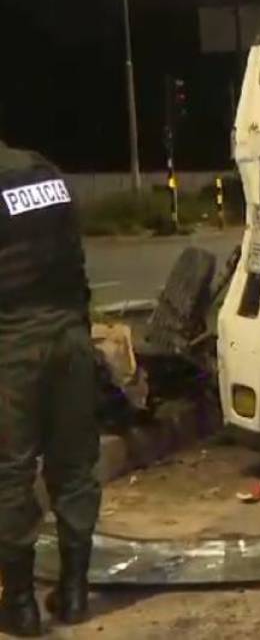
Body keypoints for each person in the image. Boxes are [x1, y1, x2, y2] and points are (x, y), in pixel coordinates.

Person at [0, 137, 101, 637]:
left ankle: (19, 606)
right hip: (70, 336)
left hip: (13, 345)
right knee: (75, 467)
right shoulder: (45, 171)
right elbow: (76, 258)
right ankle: (76, 594)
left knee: (10, 474)